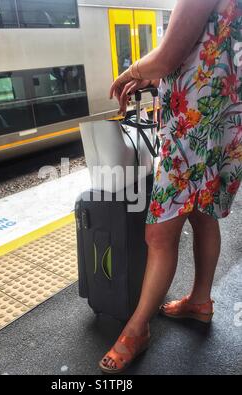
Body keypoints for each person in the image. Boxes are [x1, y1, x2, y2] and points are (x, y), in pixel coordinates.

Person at [100, 0, 241, 374]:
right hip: (222, 121)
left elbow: (166, 57)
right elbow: (205, 52)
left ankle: (136, 329)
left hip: (192, 128)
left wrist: (132, 71)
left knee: (159, 235)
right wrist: (157, 77)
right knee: (203, 214)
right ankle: (199, 301)